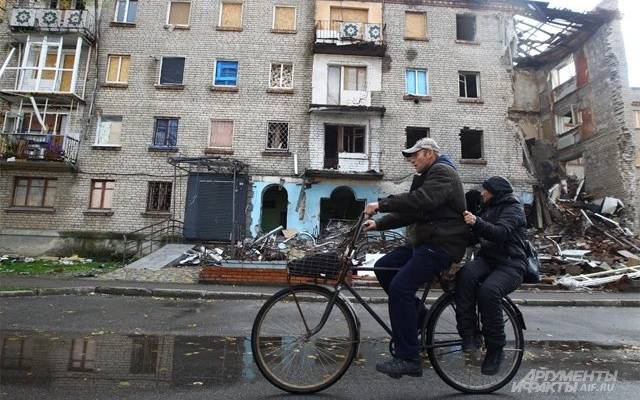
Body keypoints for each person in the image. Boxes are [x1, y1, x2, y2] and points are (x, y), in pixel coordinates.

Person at [363, 137, 469, 379]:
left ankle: (408, 357)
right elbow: (411, 211)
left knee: (400, 287)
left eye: (415, 154)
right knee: (384, 267)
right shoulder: (427, 176)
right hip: (425, 242)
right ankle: (420, 317)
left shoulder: (442, 172)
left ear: (429, 153)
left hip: (442, 244)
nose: (411, 159)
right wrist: (377, 223)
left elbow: (421, 200)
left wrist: (381, 204)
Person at [455, 176, 526, 376]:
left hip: (511, 263)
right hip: (488, 259)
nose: (482, 193)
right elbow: (475, 236)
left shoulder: (513, 209)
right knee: (465, 275)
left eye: (486, 190)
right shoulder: (487, 208)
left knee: (489, 291)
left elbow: (501, 232)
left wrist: (477, 222)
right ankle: (469, 335)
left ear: (496, 192)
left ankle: (496, 349)